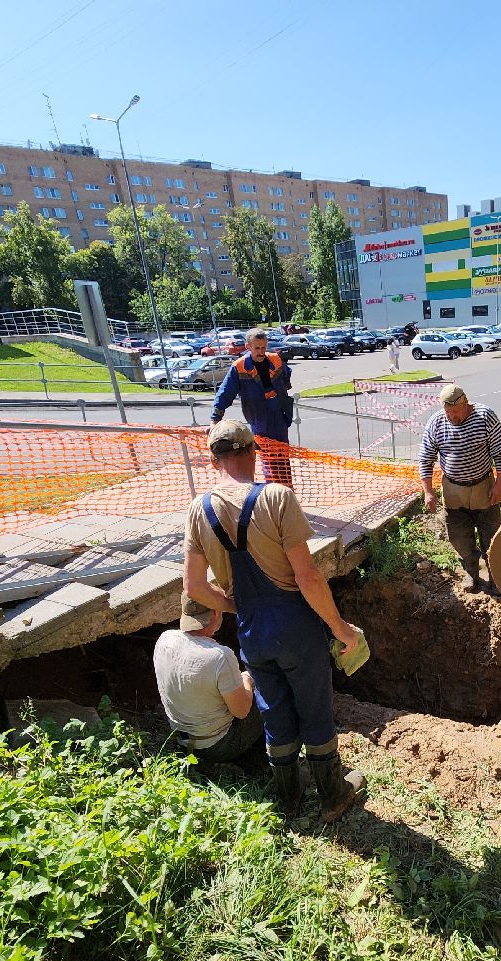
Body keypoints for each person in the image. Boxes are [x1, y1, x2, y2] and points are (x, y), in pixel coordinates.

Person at [183, 418, 366, 822]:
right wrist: (340, 629)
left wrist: (236, 608)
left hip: (252, 632)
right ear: (253, 452)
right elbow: (308, 577)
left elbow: (193, 586)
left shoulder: (199, 509)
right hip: (295, 626)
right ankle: (333, 796)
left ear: (213, 461)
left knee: (274, 712)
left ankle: (288, 799)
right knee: (314, 710)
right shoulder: (277, 498)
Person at [419, 383, 501, 596]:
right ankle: (471, 573)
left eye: (456, 411)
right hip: (453, 490)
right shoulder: (436, 422)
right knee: (459, 536)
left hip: (483, 487)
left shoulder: (485, 416)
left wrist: (499, 484)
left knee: (491, 535)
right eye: (448, 412)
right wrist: (428, 492)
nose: (452, 416)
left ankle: (496, 577)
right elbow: (425, 458)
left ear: (466, 403)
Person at [153, 592, 263, 763]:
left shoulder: (165, 639)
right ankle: (271, 757)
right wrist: (247, 679)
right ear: (215, 613)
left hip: (181, 740)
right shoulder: (220, 656)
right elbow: (242, 712)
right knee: (274, 688)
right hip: (217, 746)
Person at [210, 328, 295, 486]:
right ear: (248, 347)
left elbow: (286, 374)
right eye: (257, 348)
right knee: (269, 461)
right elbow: (224, 393)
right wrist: (215, 418)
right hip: (260, 419)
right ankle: (273, 492)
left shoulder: (275, 360)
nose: (261, 352)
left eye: (264, 347)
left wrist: (282, 393)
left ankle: (287, 490)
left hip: (279, 416)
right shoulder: (239, 367)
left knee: (283, 458)